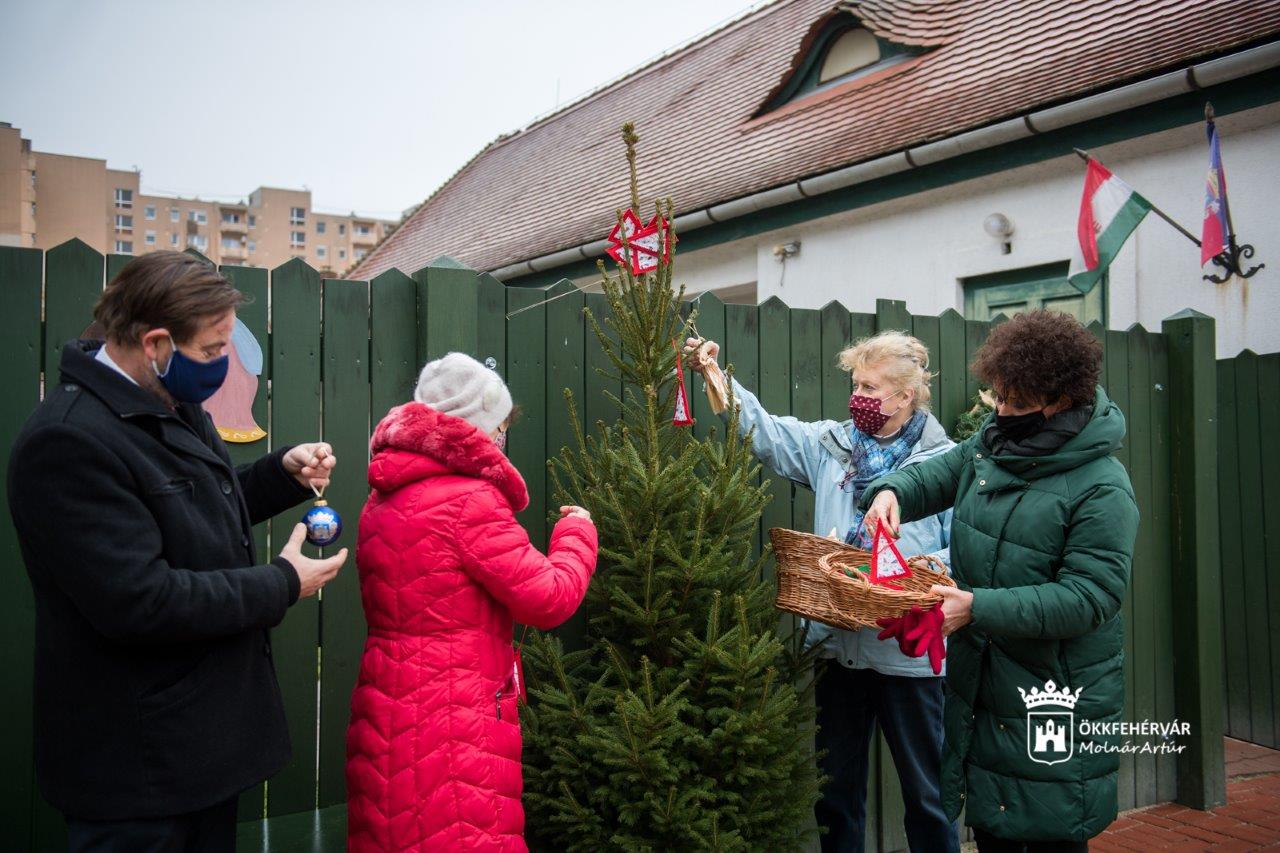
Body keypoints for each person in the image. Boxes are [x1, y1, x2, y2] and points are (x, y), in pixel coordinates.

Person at [6, 251, 348, 852]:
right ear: (157, 343)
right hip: (138, 773)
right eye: (214, 350)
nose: (222, 365)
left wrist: (279, 474)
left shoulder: (169, 400)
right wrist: (283, 582)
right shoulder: (68, 441)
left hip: (200, 752)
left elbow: (191, 504)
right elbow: (141, 600)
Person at [861, 310, 1139, 852]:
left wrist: (975, 608)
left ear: (1057, 400)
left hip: (1053, 693)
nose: (1001, 410)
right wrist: (892, 490)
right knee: (994, 824)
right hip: (985, 687)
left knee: (1050, 823)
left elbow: (1091, 597)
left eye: (1015, 401)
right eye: (999, 397)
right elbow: (936, 473)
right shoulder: (994, 446)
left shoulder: (1103, 487)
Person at [689, 331, 959, 853]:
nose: (858, 396)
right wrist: (716, 377)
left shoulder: (944, 464)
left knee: (928, 797)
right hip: (839, 652)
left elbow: (963, 552)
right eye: (855, 384)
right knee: (835, 794)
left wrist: (913, 575)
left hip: (909, 658)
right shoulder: (833, 447)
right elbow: (767, 433)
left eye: (872, 388)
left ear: (905, 397)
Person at [346, 352, 599, 852]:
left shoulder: (384, 496)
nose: (503, 437)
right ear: (478, 427)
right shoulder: (469, 503)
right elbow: (548, 597)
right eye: (500, 425)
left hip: (387, 706)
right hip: (453, 721)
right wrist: (577, 533)